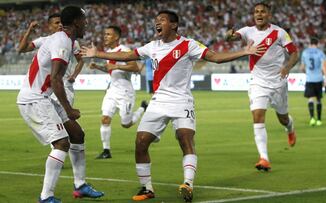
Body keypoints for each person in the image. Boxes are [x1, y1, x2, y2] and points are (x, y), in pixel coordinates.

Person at [81, 10, 265, 202]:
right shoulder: (152, 46)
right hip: (158, 101)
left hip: (181, 101)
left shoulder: (188, 45)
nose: (157, 23)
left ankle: (188, 184)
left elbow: (215, 57)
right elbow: (128, 56)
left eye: (162, 20)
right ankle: (147, 188)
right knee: (140, 142)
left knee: (185, 139)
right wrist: (97, 54)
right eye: (156, 21)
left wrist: (244, 52)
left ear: (174, 25)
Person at [17, 6, 103, 203]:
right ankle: (46, 197)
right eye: (84, 20)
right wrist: (69, 109)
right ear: (76, 22)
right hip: (34, 99)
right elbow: (56, 79)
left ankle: (80, 186)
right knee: (62, 143)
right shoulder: (62, 41)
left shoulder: (66, 40)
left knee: (77, 134)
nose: (87, 24)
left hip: (43, 97)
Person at [226, 2, 299, 171]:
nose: (259, 14)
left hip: (278, 82)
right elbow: (231, 37)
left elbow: (294, 53)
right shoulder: (247, 31)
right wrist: (228, 35)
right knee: (258, 116)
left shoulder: (279, 33)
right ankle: (264, 158)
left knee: (283, 118)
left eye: (263, 12)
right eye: (256, 12)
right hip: (258, 82)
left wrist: (287, 67)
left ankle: (290, 128)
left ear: (269, 15)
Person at [89, 26, 148, 159]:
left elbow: (135, 67)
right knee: (105, 119)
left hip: (125, 92)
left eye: (108, 34)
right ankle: (106, 150)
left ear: (116, 37)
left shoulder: (125, 50)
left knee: (126, 124)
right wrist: (98, 67)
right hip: (112, 91)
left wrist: (116, 65)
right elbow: (112, 71)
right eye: (105, 34)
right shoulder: (108, 52)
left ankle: (142, 109)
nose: (105, 36)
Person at [300, 38, 326, 126]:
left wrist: (306, 73)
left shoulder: (305, 52)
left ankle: (312, 119)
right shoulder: (320, 53)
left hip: (309, 79)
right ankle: (319, 120)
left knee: (311, 98)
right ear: (317, 44)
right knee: (318, 99)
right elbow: (323, 67)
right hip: (318, 78)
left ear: (310, 43)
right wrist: (325, 77)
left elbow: (302, 67)